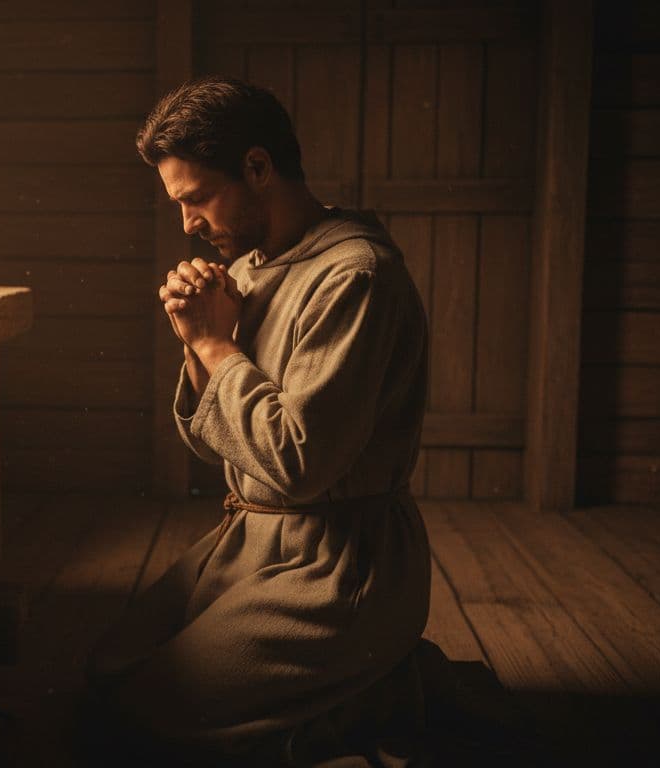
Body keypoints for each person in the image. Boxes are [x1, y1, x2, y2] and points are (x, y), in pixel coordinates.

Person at [83, 75, 438, 765]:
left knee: (145, 717)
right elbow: (205, 435)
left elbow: (300, 466)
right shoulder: (247, 265)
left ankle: (385, 688)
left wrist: (218, 344)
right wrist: (196, 338)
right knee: (109, 672)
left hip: (340, 563)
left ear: (256, 167)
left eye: (196, 199)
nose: (186, 223)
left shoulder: (354, 275)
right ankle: (320, 693)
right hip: (250, 542)